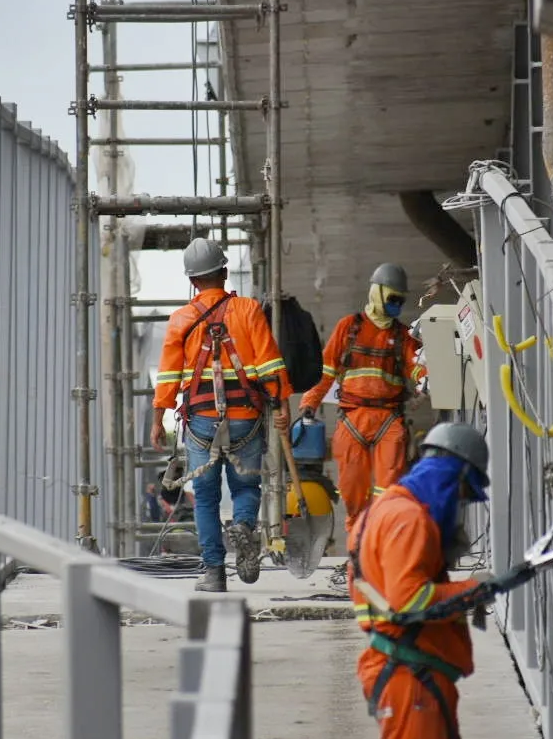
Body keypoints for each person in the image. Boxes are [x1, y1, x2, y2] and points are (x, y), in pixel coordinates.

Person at [341, 422, 537, 739]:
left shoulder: (386, 510)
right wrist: (478, 587)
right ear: (453, 480)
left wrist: (476, 590)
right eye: (466, 494)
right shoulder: (409, 521)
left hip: (417, 675)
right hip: (410, 681)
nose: (464, 509)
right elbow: (410, 602)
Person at [152, 237, 290, 592]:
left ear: (193, 280)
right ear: (224, 272)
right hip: (246, 415)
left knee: (207, 495)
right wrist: (282, 405)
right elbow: (270, 364)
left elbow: (167, 374)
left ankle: (214, 573)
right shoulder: (249, 310)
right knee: (246, 485)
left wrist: (158, 420)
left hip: (200, 421)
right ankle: (243, 525)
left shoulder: (181, 318)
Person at [299, 263, 426, 586]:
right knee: (354, 500)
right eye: (393, 298)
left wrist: (428, 377)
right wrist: (309, 403)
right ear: (378, 293)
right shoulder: (349, 329)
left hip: (389, 423)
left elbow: (417, 369)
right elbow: (326, 372)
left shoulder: (402, 337)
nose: (396, 305)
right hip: (353, 422)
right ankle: (359, 563)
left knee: (389, 498)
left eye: (400, 299)